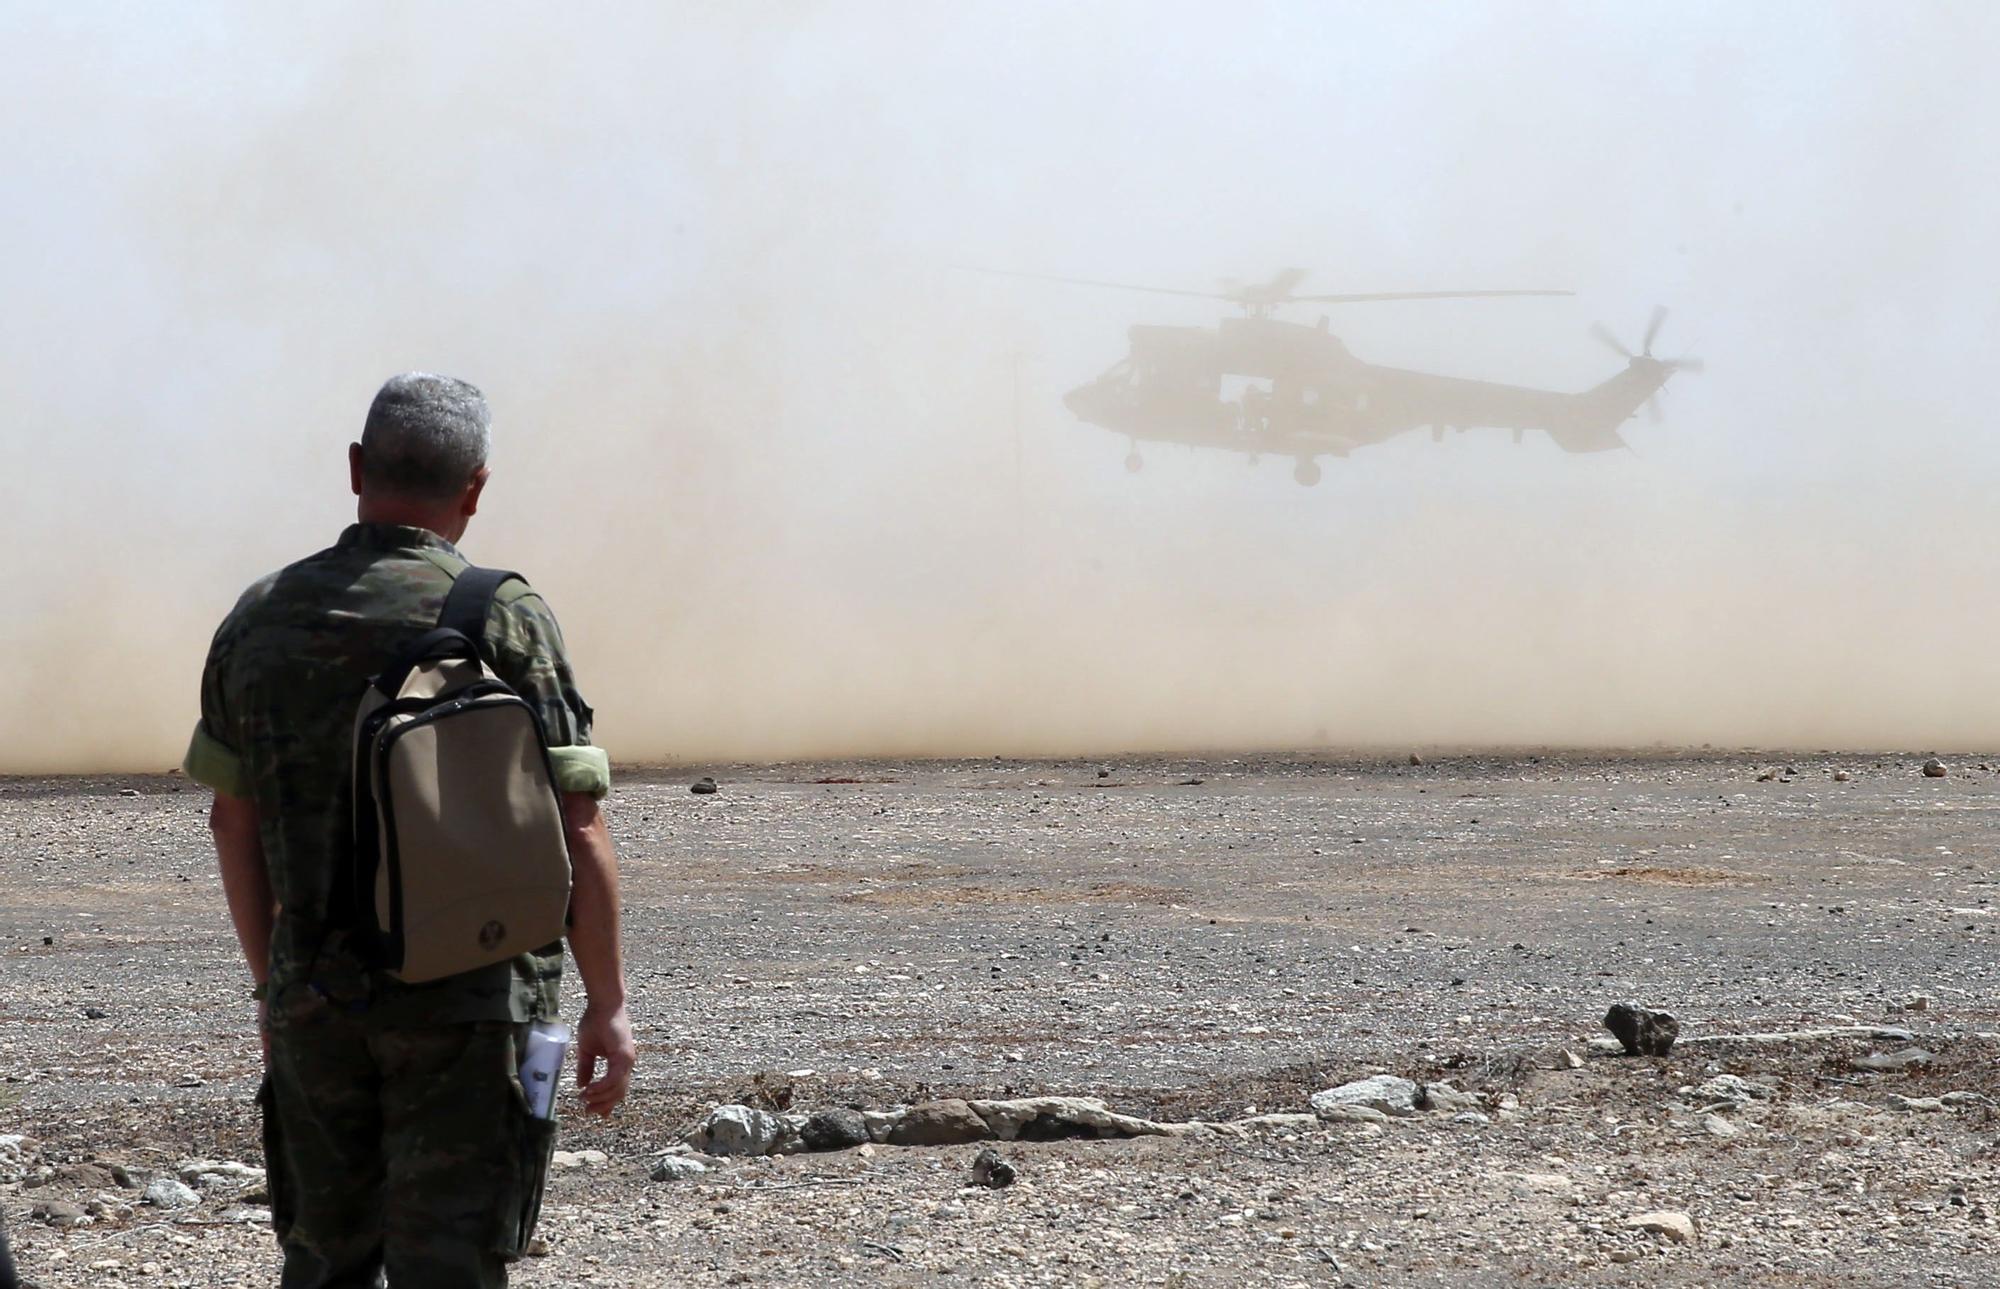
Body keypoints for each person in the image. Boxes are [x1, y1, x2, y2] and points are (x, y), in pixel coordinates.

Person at [183, 373, 636, 1288]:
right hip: (474, 1006)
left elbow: (231, 816)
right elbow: (577, 827)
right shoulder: (500, 615)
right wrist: (607, 1003)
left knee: (323, 1260)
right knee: (455, 1266)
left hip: (315, 1002)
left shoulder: (260, 616)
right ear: (474, 488)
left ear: (355, 469)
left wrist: (275, 981)